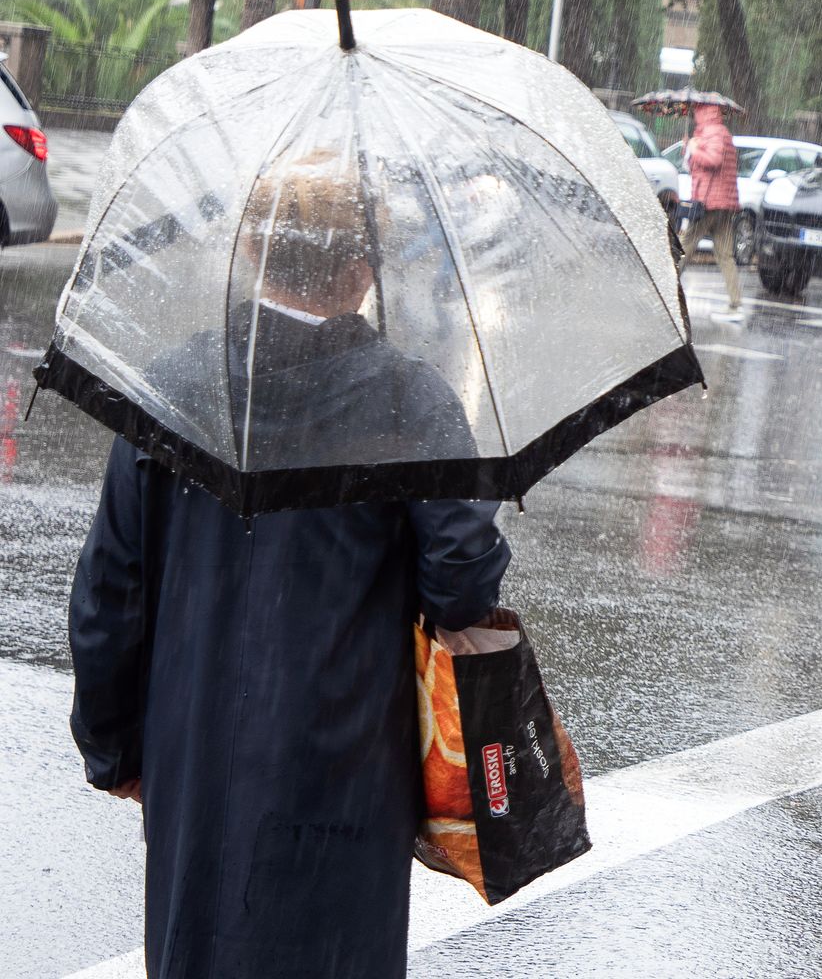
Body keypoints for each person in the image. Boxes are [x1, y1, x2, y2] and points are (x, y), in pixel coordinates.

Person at [68, 155, 513, 979]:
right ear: (357, 273)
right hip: (345, 768)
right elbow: (462, 582)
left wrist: (117, 748)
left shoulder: (173, 388)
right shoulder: (406, 400)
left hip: (193, 757)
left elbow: (109, 593)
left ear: (252, 258)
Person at [685, 103, 743, 320]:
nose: (694, 116)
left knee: (684, 247)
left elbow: (713, 161)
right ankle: (736, 305)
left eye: (696, 112)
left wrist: (694, 150)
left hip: (709, 202)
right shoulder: (720, 132)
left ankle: (665, 295)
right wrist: (689, 148)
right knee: (724, 253)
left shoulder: (713, 132)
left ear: (702, 112)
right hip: (724, 202)